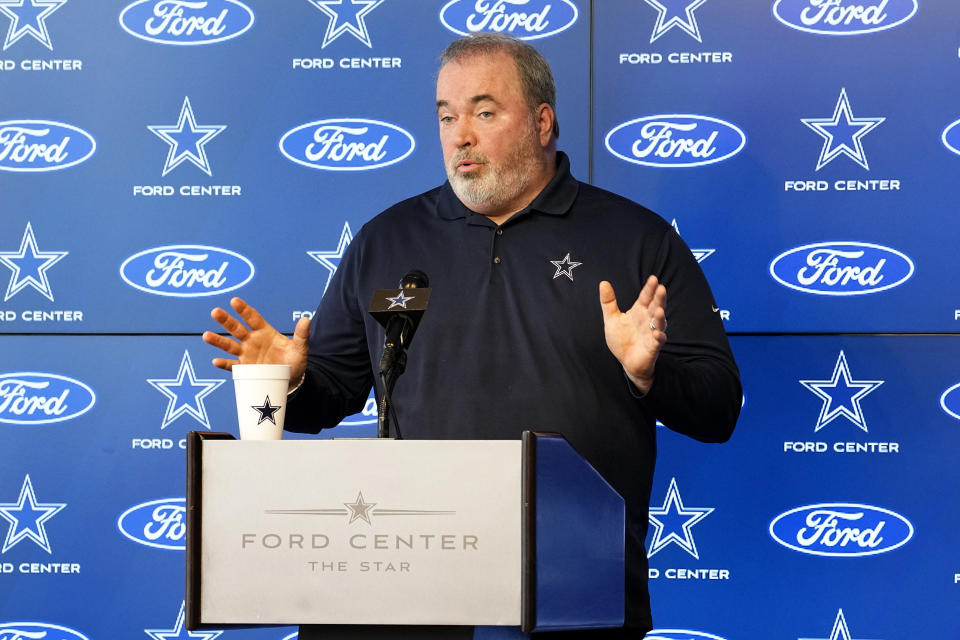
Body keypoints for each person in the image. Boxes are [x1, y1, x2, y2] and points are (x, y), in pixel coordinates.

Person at [203, 33, 741, 637]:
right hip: (405, 584)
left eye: (485, 112)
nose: (461, 134)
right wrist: (291, 379)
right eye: (447, 116)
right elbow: (332, 391)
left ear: (542, 122)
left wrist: (647, 374)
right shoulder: (388, 241)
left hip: (570, 593)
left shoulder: (636, 239)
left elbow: (718, 408)